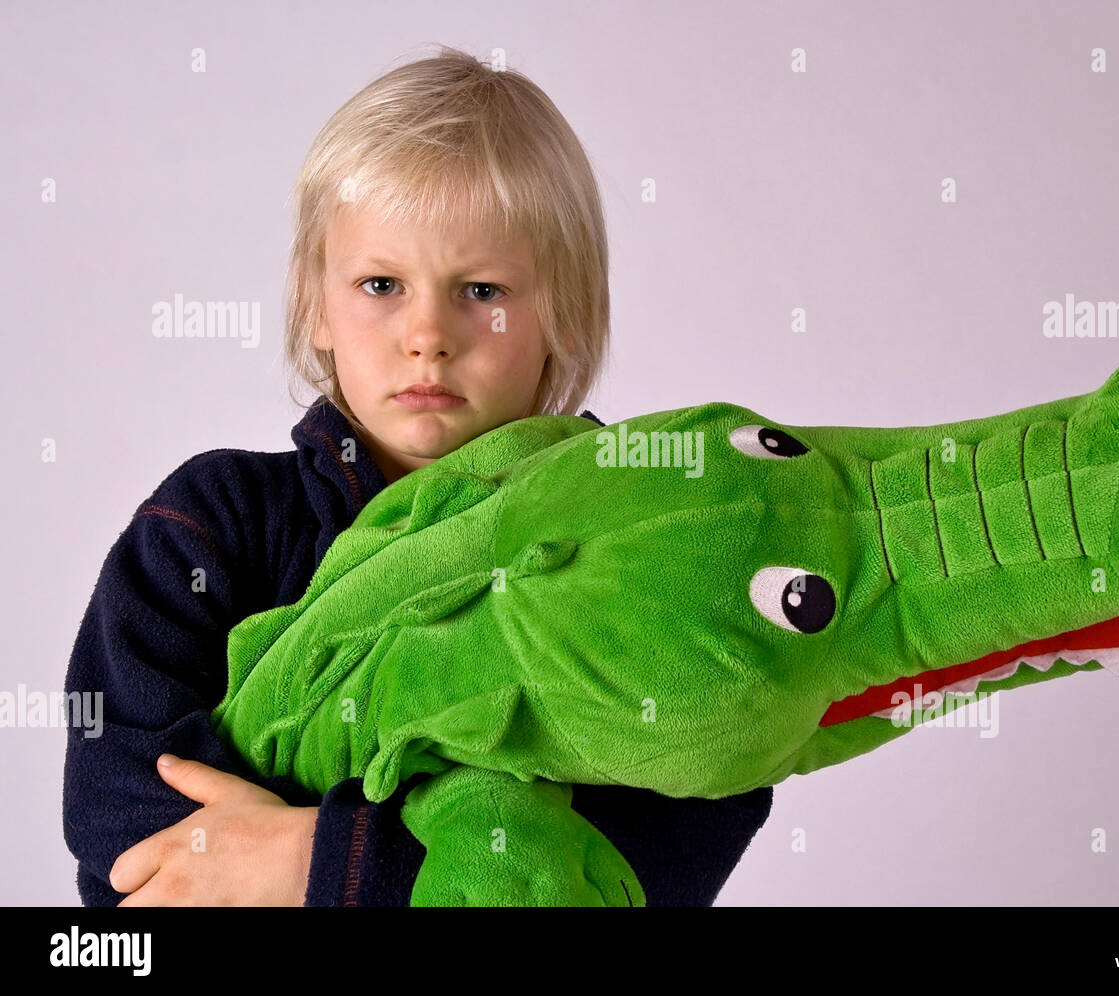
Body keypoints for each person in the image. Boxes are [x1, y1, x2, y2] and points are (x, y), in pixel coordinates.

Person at [61, 45, 773, 907]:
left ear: (567, 312)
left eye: (480, 290)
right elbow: (116, 804)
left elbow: (678, 825)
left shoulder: (638, 543)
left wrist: (313, 862)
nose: (428, 333)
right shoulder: (214, 522)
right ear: (316, 304)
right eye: (381, 283)